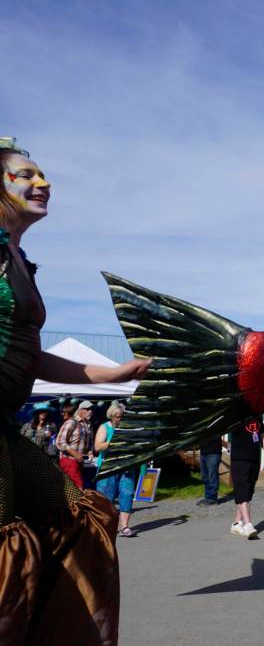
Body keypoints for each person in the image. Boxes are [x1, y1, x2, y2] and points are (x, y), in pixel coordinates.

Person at [0, 137, 150, 644]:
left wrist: (118, 374)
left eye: (42, 175)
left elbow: (28, 355)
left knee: (80, 523)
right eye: (24, 174)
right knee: (6, 557)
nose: (42, 182)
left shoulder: (18, 260)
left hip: (6, 425)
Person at [94, 401, 138, 538]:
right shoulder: (104, 427)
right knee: (106, 498)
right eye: (118, 417)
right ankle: (103, 527)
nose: (120, 419)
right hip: (109, 467)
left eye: (122, 416)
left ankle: (124, 527)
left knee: (127, 494)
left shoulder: (128, 429)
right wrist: (115, 442)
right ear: (111, 416)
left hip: (126, 466)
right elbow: (98, 447)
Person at [229, 413, 264, 539]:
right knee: (242, 490)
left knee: (248, 491)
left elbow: (262, 435)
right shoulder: (235, 414)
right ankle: (248, 524)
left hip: (254, 458)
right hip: (239, 458)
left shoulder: (257, 415)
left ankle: (237, 523)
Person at [56, 399, 96, 489]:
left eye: (91, 410)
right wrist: (75, 453)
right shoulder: (71, 422)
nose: (90, 411)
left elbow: (90, 443)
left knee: (73, 489)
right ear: (80, 410)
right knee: (78, 488)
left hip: (80, 462)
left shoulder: (88, 424)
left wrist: (90, 451)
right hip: (68, 460)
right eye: (87, 409)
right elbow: (59, 442)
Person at [196, 434, 223, 506]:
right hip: (203, 452)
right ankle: (207, 497)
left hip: (214, 451)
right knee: (204, 476)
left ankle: (213, 499)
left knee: (212, 476)